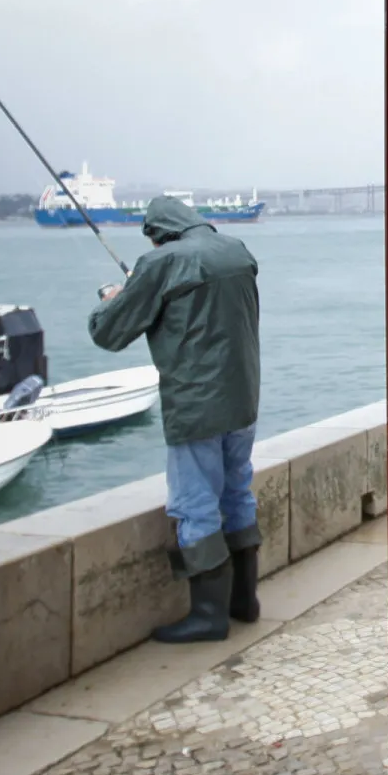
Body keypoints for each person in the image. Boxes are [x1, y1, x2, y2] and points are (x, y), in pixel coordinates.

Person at [90, 197, 262, 644]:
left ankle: (208, 616)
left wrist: (114, 297)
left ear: (158, 232)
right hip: (242, 398)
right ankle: (245, 600)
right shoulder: (235, 249)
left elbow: (109, 333)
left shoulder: (159, 262)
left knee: (195, 503)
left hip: (196, 404)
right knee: (238, 493)